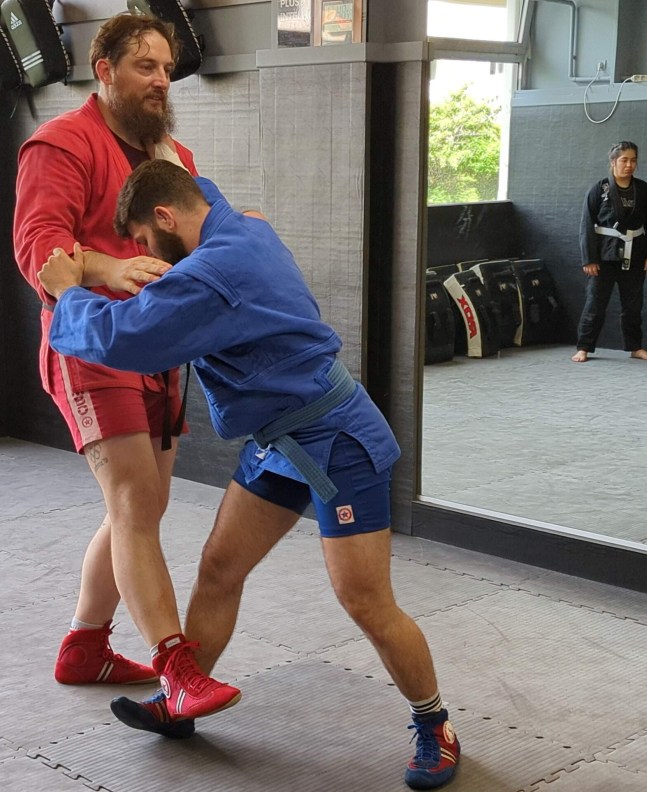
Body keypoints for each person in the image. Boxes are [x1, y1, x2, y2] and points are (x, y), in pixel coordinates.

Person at [38, 158, 461, 790]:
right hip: (277, 439)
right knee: (219, 568)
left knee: (365, 600)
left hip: (337, 439)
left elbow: (125, 339)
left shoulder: (212, 275)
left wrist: (68, 290)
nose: (146, 257)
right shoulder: (240, 224)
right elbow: (193, 190)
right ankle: (181, 699)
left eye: (146, 241)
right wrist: (154, 165)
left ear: (165, 217)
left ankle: (435, 725)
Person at [12, 13, 240, 716]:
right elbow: (39, 252)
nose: (161, 80)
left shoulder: (172, 157)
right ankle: (179, 670)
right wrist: (108, 268)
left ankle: (85, 645)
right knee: (137, 502)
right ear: (104, 70)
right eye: (146, 66)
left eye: (167, 68)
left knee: (142, 506)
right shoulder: (60, 144)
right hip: (90, 348)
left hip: (157, 354)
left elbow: (198, 242)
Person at [572, 140, 647, 363]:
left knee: (633, 305)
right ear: (613, 162)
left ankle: (635, 347)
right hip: (604, 255)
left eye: (633, 160)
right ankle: (584, 347)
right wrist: (589, 259)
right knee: (595, 303)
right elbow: (586, 225)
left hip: (635, 253)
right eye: (624, 160)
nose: (629, 165)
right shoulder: (599, 189)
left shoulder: (643, 190)